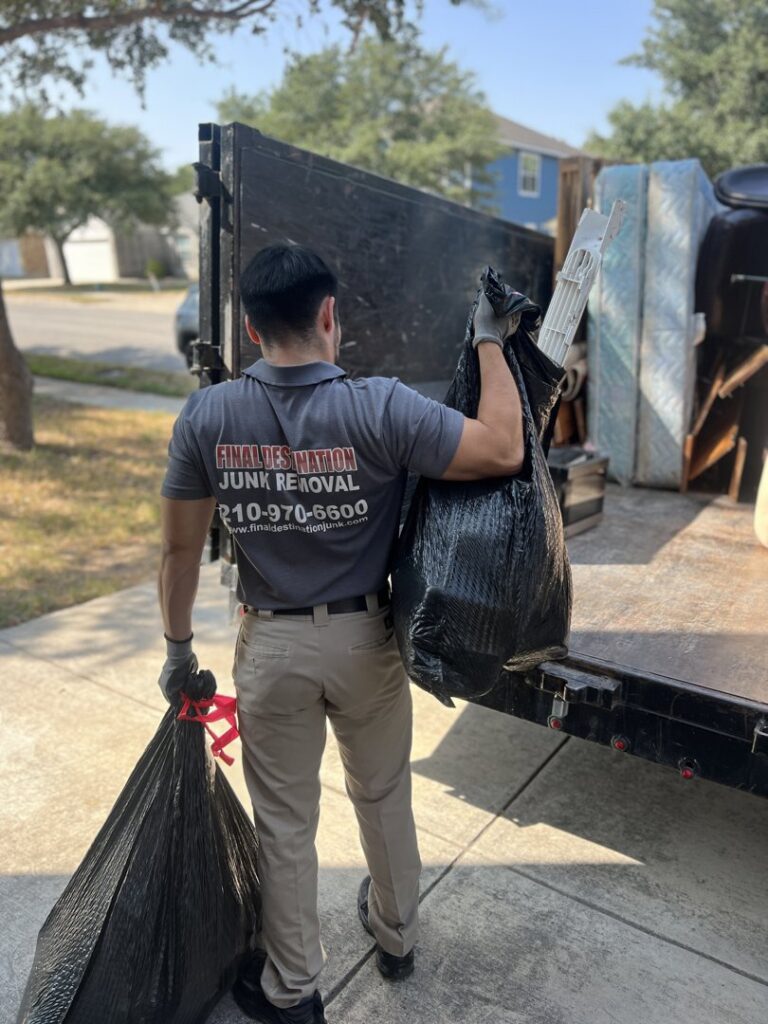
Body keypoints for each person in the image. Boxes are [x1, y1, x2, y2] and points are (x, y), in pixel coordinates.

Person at [157, 244, 525, 1024]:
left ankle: (293, 989)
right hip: (367, 640)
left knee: (286, 823)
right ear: (331, 317)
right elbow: (503, 447)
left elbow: (179, 550)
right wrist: (490, 337)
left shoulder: (207, 416)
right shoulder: (380, 406)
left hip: (273, 648)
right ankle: (396, 937)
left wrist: (179, 649)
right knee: (384, 793)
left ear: (253, 330)